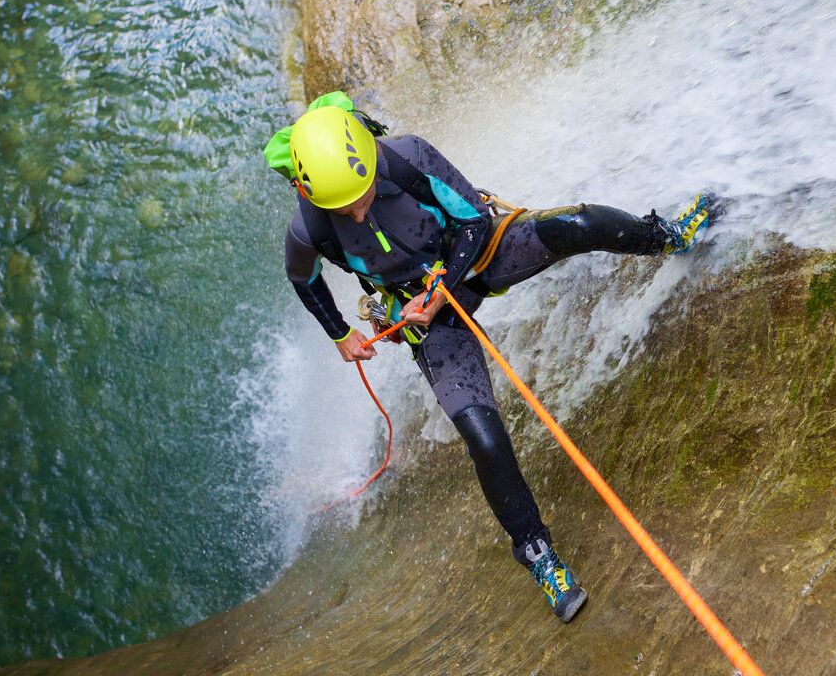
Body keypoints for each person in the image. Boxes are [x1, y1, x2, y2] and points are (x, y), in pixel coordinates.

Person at [265, 92, 715, 623]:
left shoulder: (403, 157)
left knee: (579, 223)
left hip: (474, 257)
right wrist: (340, 334)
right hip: (426, 317)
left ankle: (666, 236)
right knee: (484, 436)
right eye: (347, 207)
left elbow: (476, 221)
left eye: (364, 195)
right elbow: (305, 279)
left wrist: (440, 291)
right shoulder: (309, 229)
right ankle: (538, 554)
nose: (359, 209)